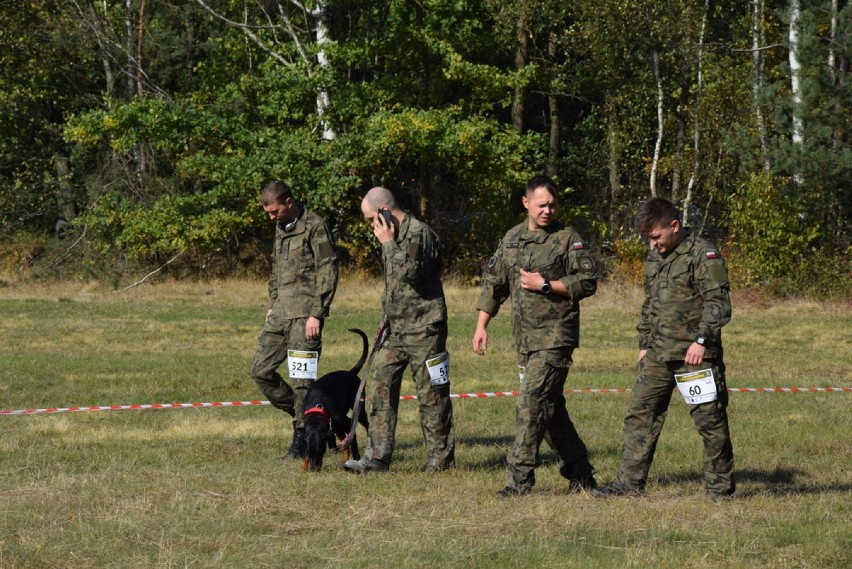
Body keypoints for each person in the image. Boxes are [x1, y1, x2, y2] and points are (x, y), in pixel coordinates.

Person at [592, 197, 735, 501]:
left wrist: (701, 341)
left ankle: (719, 490)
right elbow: (650, 306)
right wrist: (644, 344)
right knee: (639, 416)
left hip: (694, 356)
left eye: (656, 236)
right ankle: (628, 485)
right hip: (657, 354)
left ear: (675, 225)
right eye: (648, 238)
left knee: (709, 421)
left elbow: (718, 304)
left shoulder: (704, 255)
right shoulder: (655, 259)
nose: (653, 243)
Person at [472, 175, 598, 497]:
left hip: (556, 338)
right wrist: (481, 325)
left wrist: (547, 285)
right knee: (550, 411)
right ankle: (581, 473)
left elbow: (587, 281)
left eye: (553, 205)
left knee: (530, 404)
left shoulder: (567, 238)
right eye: (542, 205)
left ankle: (519, 481)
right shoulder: (512, 238)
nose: (548, 211)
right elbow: (495, 283)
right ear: (526, 204)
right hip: (525, 342)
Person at [344, 186, 455, 473]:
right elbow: (395, 287)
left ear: (384, 211)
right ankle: (377, 456)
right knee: (379, 384)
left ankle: (440, 461)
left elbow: (413, 274)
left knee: (431, 395)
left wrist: (389, 244)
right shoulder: (388, 238)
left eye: (371, 219)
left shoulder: (420, 234)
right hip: (395, 329)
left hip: (424, 328)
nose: (371, 227)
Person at [250, 180, 339, 459]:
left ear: (289, 202)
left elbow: (328, 271)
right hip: (280, 314)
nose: (271, 217)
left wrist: (317, 313)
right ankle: (310, 414)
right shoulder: (280, 227)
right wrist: (272, 302)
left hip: (305, 316)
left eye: (275, 211)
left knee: (302, 382)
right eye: (268, 213)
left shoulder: (315, 225)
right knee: (260, 371)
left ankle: (302, 439)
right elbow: (276, 268)